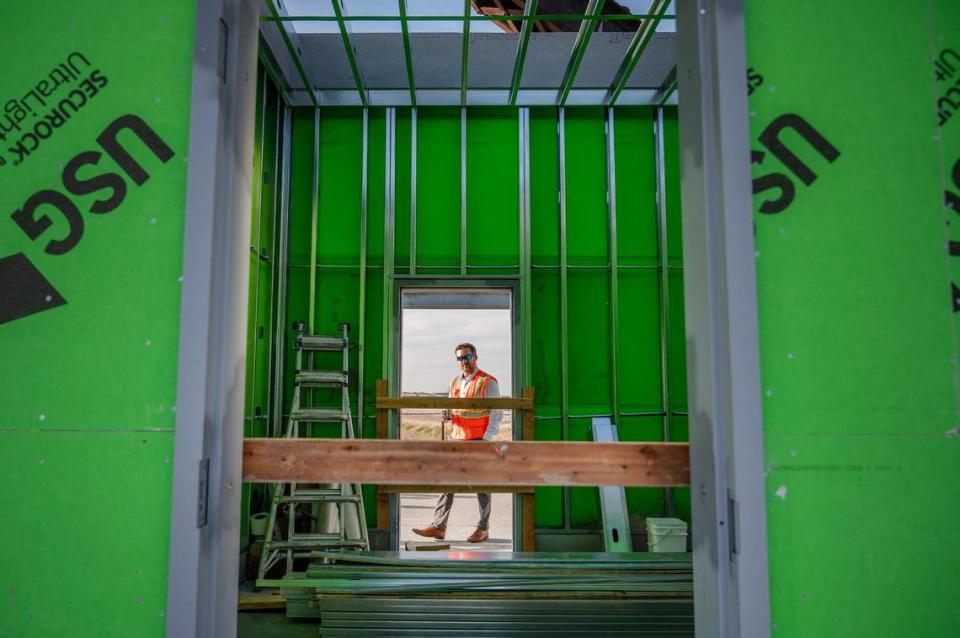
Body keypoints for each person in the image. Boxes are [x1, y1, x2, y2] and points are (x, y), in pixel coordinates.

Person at [412, 342, 502, 543]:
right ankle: (438, 526)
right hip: (457, 440)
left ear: (475, 357)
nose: (464, 362)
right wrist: (448, 416)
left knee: (482, 487)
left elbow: (497, 414)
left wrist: (486, 440)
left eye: (467, 357)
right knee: (447, 482)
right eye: (460, 358)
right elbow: (456, 411)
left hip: (479, 441)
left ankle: (483, 528)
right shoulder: (454, 383)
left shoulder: (488, 382)